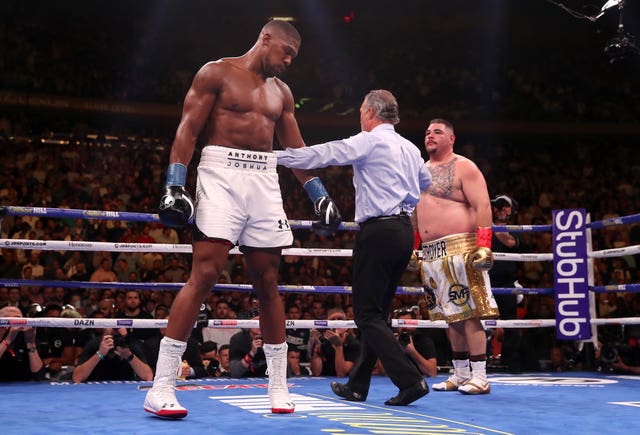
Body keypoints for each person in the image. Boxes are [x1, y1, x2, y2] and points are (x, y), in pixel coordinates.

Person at [144, 19, 341, 418]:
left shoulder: (281, 93)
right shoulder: (216, 72)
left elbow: (296, 148)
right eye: (286, 52)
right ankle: (161, 386)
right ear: (265, 39)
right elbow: (188, 130)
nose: (289, 61)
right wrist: (174, 185)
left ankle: (278, 386)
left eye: (293, 58)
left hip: (264, 179)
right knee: (205, 274)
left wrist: (318, 195)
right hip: (220, 173)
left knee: (268, 281)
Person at [276, 89, 432, 406]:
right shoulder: (410, 147)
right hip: (403, 231)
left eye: (361, 111)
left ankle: (410, 379)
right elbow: (425, 182)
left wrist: (270, 157)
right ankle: (358, 385)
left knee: (366, 315)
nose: (360, 116)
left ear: (371, 112)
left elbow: (321, 155)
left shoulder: (369, 140)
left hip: (378, 231)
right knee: (377, 315)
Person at [414, 118, 499, 395]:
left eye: (437, 132)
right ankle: (460, 373)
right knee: (451, 316)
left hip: (462, 247)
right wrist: (415, 246)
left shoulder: (464, 167)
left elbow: (483, 204)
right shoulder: (419, 171)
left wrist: (484, 246)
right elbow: (415, 211)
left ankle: (481, 376)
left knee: (471, 313)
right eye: (427, 132)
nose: (430, 136)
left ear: (451, 138)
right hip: (431, 252)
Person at [489, 194, 523, 371]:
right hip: (485, 280)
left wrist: (492, 225)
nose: (500, 209)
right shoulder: (484, 226)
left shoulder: (514, 228)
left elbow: (509, 242)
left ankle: (509, 363)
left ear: (512, 211)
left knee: (511, 324)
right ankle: (481, 360)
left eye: (504, 206)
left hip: (506, 282)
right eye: (497, 206)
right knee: (479, 322)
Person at [72, 327, 153, 383]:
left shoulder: (130, 345)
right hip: (95, 389)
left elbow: (148, 376)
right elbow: (77, 378)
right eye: (113, 334)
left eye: (119, 335)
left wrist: (129, 356)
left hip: (124, 392)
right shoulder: (95, 344)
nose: (115, 338)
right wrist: (100, 353)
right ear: (104, 334)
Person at [308, 308, 360, 377]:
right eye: (332, 320)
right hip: (324, 383)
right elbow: (316, 372)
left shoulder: (353, 344)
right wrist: (317, 347)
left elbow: (341, 373)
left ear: (346, 327)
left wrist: (338, 346)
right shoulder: (323, 342)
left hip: (346, 382)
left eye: (340, 319)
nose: (336, 323)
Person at [0, 305, 46, 381]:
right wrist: (7, 340)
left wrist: (31, 344)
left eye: (21, 320)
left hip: (24, 387)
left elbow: (39, 375)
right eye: (16, 320)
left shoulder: (25, 337)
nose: (20, 324)